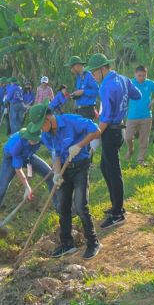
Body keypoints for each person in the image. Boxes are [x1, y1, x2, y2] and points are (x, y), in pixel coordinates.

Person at [26, 103, 102, 260]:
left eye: (41, 125)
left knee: (80, 205)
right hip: (64, 170)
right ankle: (67, 243)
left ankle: (93, 243)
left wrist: (79, 146)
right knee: (62, 206)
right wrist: (57, 174)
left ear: (48, 118)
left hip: (81, 166)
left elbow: (96, 130)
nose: (40, 129)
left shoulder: (70, 121)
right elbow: (56, 155)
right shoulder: (47, 134)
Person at [85, 53, 141, 229]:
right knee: (105, 167)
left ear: (102, 69)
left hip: (110, 131)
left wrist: (94, 135)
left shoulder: (106, 86)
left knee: (114, 171)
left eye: (94, 72)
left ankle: (118, 213)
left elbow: (106, 118)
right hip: (119, 130)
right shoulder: (123, 79)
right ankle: (115, 206)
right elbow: (137, 95)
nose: (93, 76)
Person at [0, 126, 58, 228]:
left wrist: (56, 162)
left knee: (51, 175)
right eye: (30, 140)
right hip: (11, 159)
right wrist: (27, 187)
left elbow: (54, 148)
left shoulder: (41, 136)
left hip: (28, 156)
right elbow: (18, 168)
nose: (31, 142)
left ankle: (59, 208)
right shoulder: (17, 145)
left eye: (34, 140)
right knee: (2, 188)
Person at [125, 66, 154, 166]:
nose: (141, 77)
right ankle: (130, 150)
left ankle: (141, 160)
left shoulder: (149, 83)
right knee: (128, 137)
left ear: (146, 75)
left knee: (144, 138)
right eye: (139, 75)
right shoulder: (130, 83)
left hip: (146, 116)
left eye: (144, 75)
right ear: (135, 74)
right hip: (132, 116)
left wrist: (152, 102)